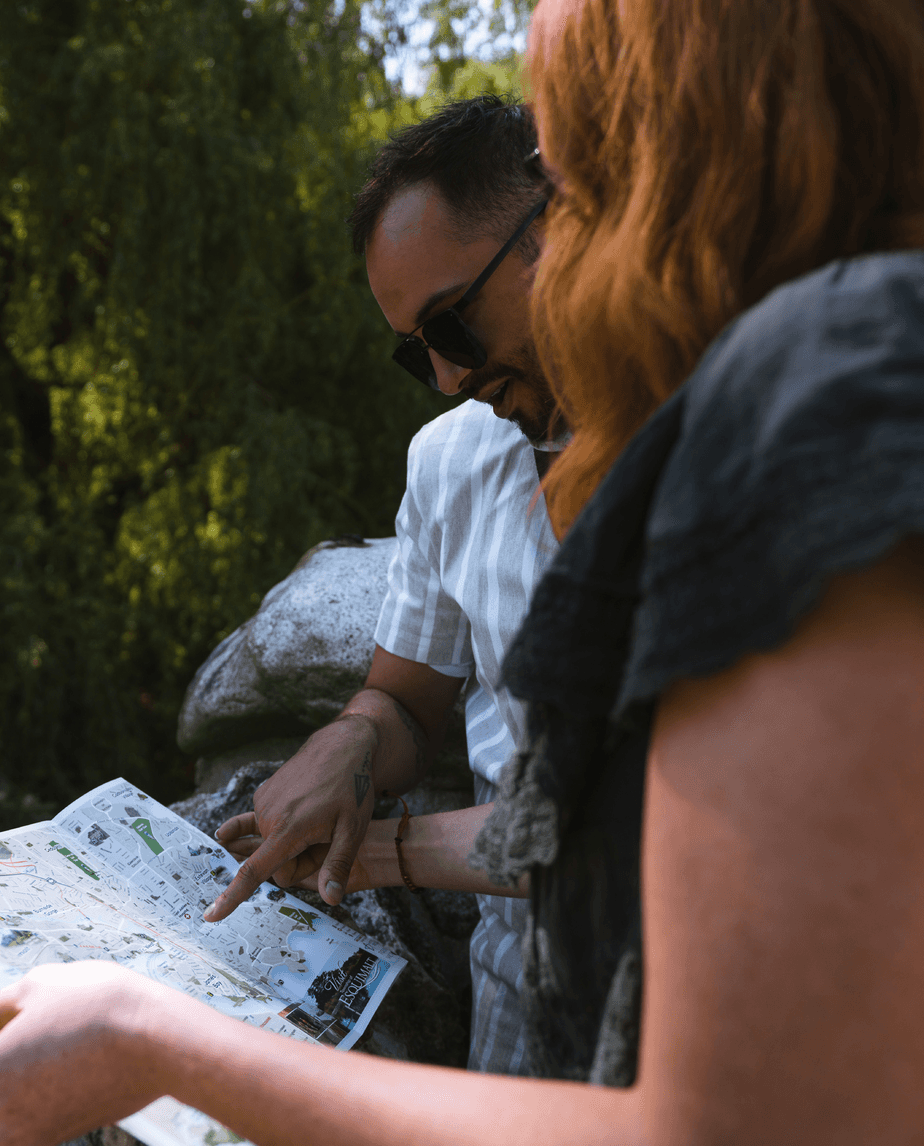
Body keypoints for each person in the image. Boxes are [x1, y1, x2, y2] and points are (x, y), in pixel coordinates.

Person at [0, 2, 924, 1143]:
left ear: (695, 144)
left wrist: (153, 1044)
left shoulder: (840, 402)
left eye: (580, 172)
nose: (582, 231)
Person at [202, 94, 562, 1077]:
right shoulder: (452, 462)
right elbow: (403, 699)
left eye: (453, 323)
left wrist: (382, 858)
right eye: (416, 351)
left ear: (560, 224)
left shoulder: (737, 431)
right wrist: (350, 741)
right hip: (522, 982)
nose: (447, 377)